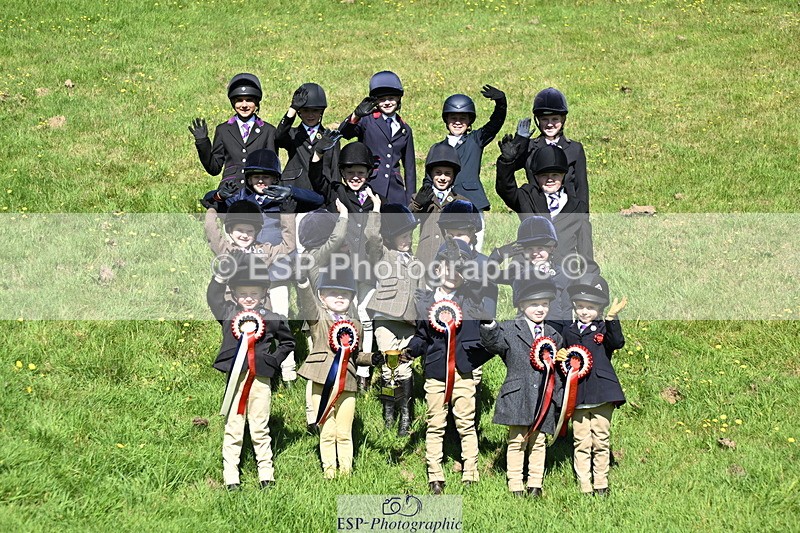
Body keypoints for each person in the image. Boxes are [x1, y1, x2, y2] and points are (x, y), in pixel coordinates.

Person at [404, 238, 494, 494]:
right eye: (447, 267)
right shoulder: (425, 301)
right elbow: (422, 337)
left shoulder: (471, 299)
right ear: (437, 269)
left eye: (459, 269)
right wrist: (409, 351)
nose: (452, 274)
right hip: (435, 372)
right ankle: (435, 474)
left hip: (464, 372)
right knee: (435, 423)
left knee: (466, 422)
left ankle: (471, 470)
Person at [206, 256, 295, 490]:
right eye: (243, 293)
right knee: (234, 426)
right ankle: (231, 474)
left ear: (263, 294)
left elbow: (288, 343)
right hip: (235, 378)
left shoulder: (272, 319)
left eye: (254, 293)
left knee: (260, 425)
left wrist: (272, 361)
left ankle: (266, 473)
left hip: (261, 379)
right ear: (234, 295)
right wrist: (220, 276)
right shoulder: (228, 314)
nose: (248, 298)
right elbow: (213, 296)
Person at [480, 279, 567, 497]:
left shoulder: (554, 335)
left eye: (545, 304)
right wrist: (488, 324)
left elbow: (557, 370)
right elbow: (495, 345)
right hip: (518, 393)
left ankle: (535, 483)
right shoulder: (509, 328)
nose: (540, 309)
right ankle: (515, 483)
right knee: (517, 440)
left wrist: (557, 398)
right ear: (521, 305)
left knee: (539, 441)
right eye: (534, 304)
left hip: (544, 395)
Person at [296, 268, 375, 479]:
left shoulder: (356, 325)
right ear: (322, 297)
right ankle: (329, 471)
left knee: (344, 431)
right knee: (327, 430)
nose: (339, 296)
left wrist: (374, 358)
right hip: (322, 380)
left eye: (345, 293)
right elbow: (307, 301)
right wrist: (303, 282)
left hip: (347, 383)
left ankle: (346, 472)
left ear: (352, 298)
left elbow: (357, 356)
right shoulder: (317, 318)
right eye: (332, 292)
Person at [563, 274, 628, 496]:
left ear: (599, 309)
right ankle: (584, 484)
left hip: (602, 391)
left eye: (590, 307)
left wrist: (611, 319)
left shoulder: (603, 328)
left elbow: (617, 343)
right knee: (581, 441)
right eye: (580, 306)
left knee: (601, 439)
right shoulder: (569, 331)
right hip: (578, 393)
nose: (584, 311)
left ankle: (601, 482)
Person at [365, 204, 425, 436]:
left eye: (409, 235)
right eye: (402, 236)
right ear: (391, 238)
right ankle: (390, 413)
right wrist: (376, 211)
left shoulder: (416, 262)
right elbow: (372, 237)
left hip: (409, 322)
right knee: (390, 368)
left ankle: (406, 416)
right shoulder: (383, 256)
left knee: (405, 367)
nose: (407, 240)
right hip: (386, 319)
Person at [426, 85, 507, 249]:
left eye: (462, 118)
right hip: (445, 207)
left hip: (471, 204)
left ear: (469, 121)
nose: (457, 122)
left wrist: (501, 103)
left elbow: (495, 124)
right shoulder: (437, 148)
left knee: (472, 252)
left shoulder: (476, 140)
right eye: (453, 118)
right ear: (446, 120)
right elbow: (428, 178)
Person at [496, 138, 594, 263]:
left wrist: (591, 277)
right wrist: (506, 163)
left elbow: (585, 247)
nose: (550, 179)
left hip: (566, 271)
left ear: (563, 176)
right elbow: (506, 189)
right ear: (536, 177)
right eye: (544, 176)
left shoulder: (577, 206)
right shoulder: (527, 196)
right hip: (530, 269)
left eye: (555, 175)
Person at [339, 71, 416, 205]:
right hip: (372, 185)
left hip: (395, 191)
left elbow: (410, 168)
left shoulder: (405, 129)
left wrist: (410, 198)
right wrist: (356, 115)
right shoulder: (367, 120)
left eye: (391, 98)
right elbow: (345, 133)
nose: (387, 102)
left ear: (398, 99)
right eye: (381, 99)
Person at [189, 73, 277, 186]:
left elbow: (272, 166)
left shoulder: (268, 130)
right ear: (233, 102)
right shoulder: (223, 130)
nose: (244, 105)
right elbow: (214, 169)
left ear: (256, 102)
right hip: (230, 191)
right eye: (239, 100)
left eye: (249, 100)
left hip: (257, 191)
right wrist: (202, 142)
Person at [513, 87, 589, 209]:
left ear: (563, 120)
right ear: (538, 121)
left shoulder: (575, 149)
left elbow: (581, 188)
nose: (549, 124)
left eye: (555, 119)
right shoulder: (530, 147)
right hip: (538, 209)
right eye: (544, 119)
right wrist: (519, 141)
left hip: (567, 212)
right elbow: (510, 167)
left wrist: (583, 220)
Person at [410, 144, 469, 271]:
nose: (442, 178)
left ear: (453, 176)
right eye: (438, 173)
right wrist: (417, 205)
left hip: (450, 261)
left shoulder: (461, 201)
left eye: (447, 174)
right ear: (431, 174)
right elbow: (406, 221)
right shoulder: (419, 198)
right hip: (425, 258)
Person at [275, 83, 340, 191]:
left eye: (315, 111)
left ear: (321, 112)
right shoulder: (292, 134)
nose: (310, 115)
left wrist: (336, 197)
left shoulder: (329, 138)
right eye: (306, 111)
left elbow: (335, 171)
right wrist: (293, 108)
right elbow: (278, 136)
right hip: (295, 190)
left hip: (321, 192)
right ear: (299, 112)